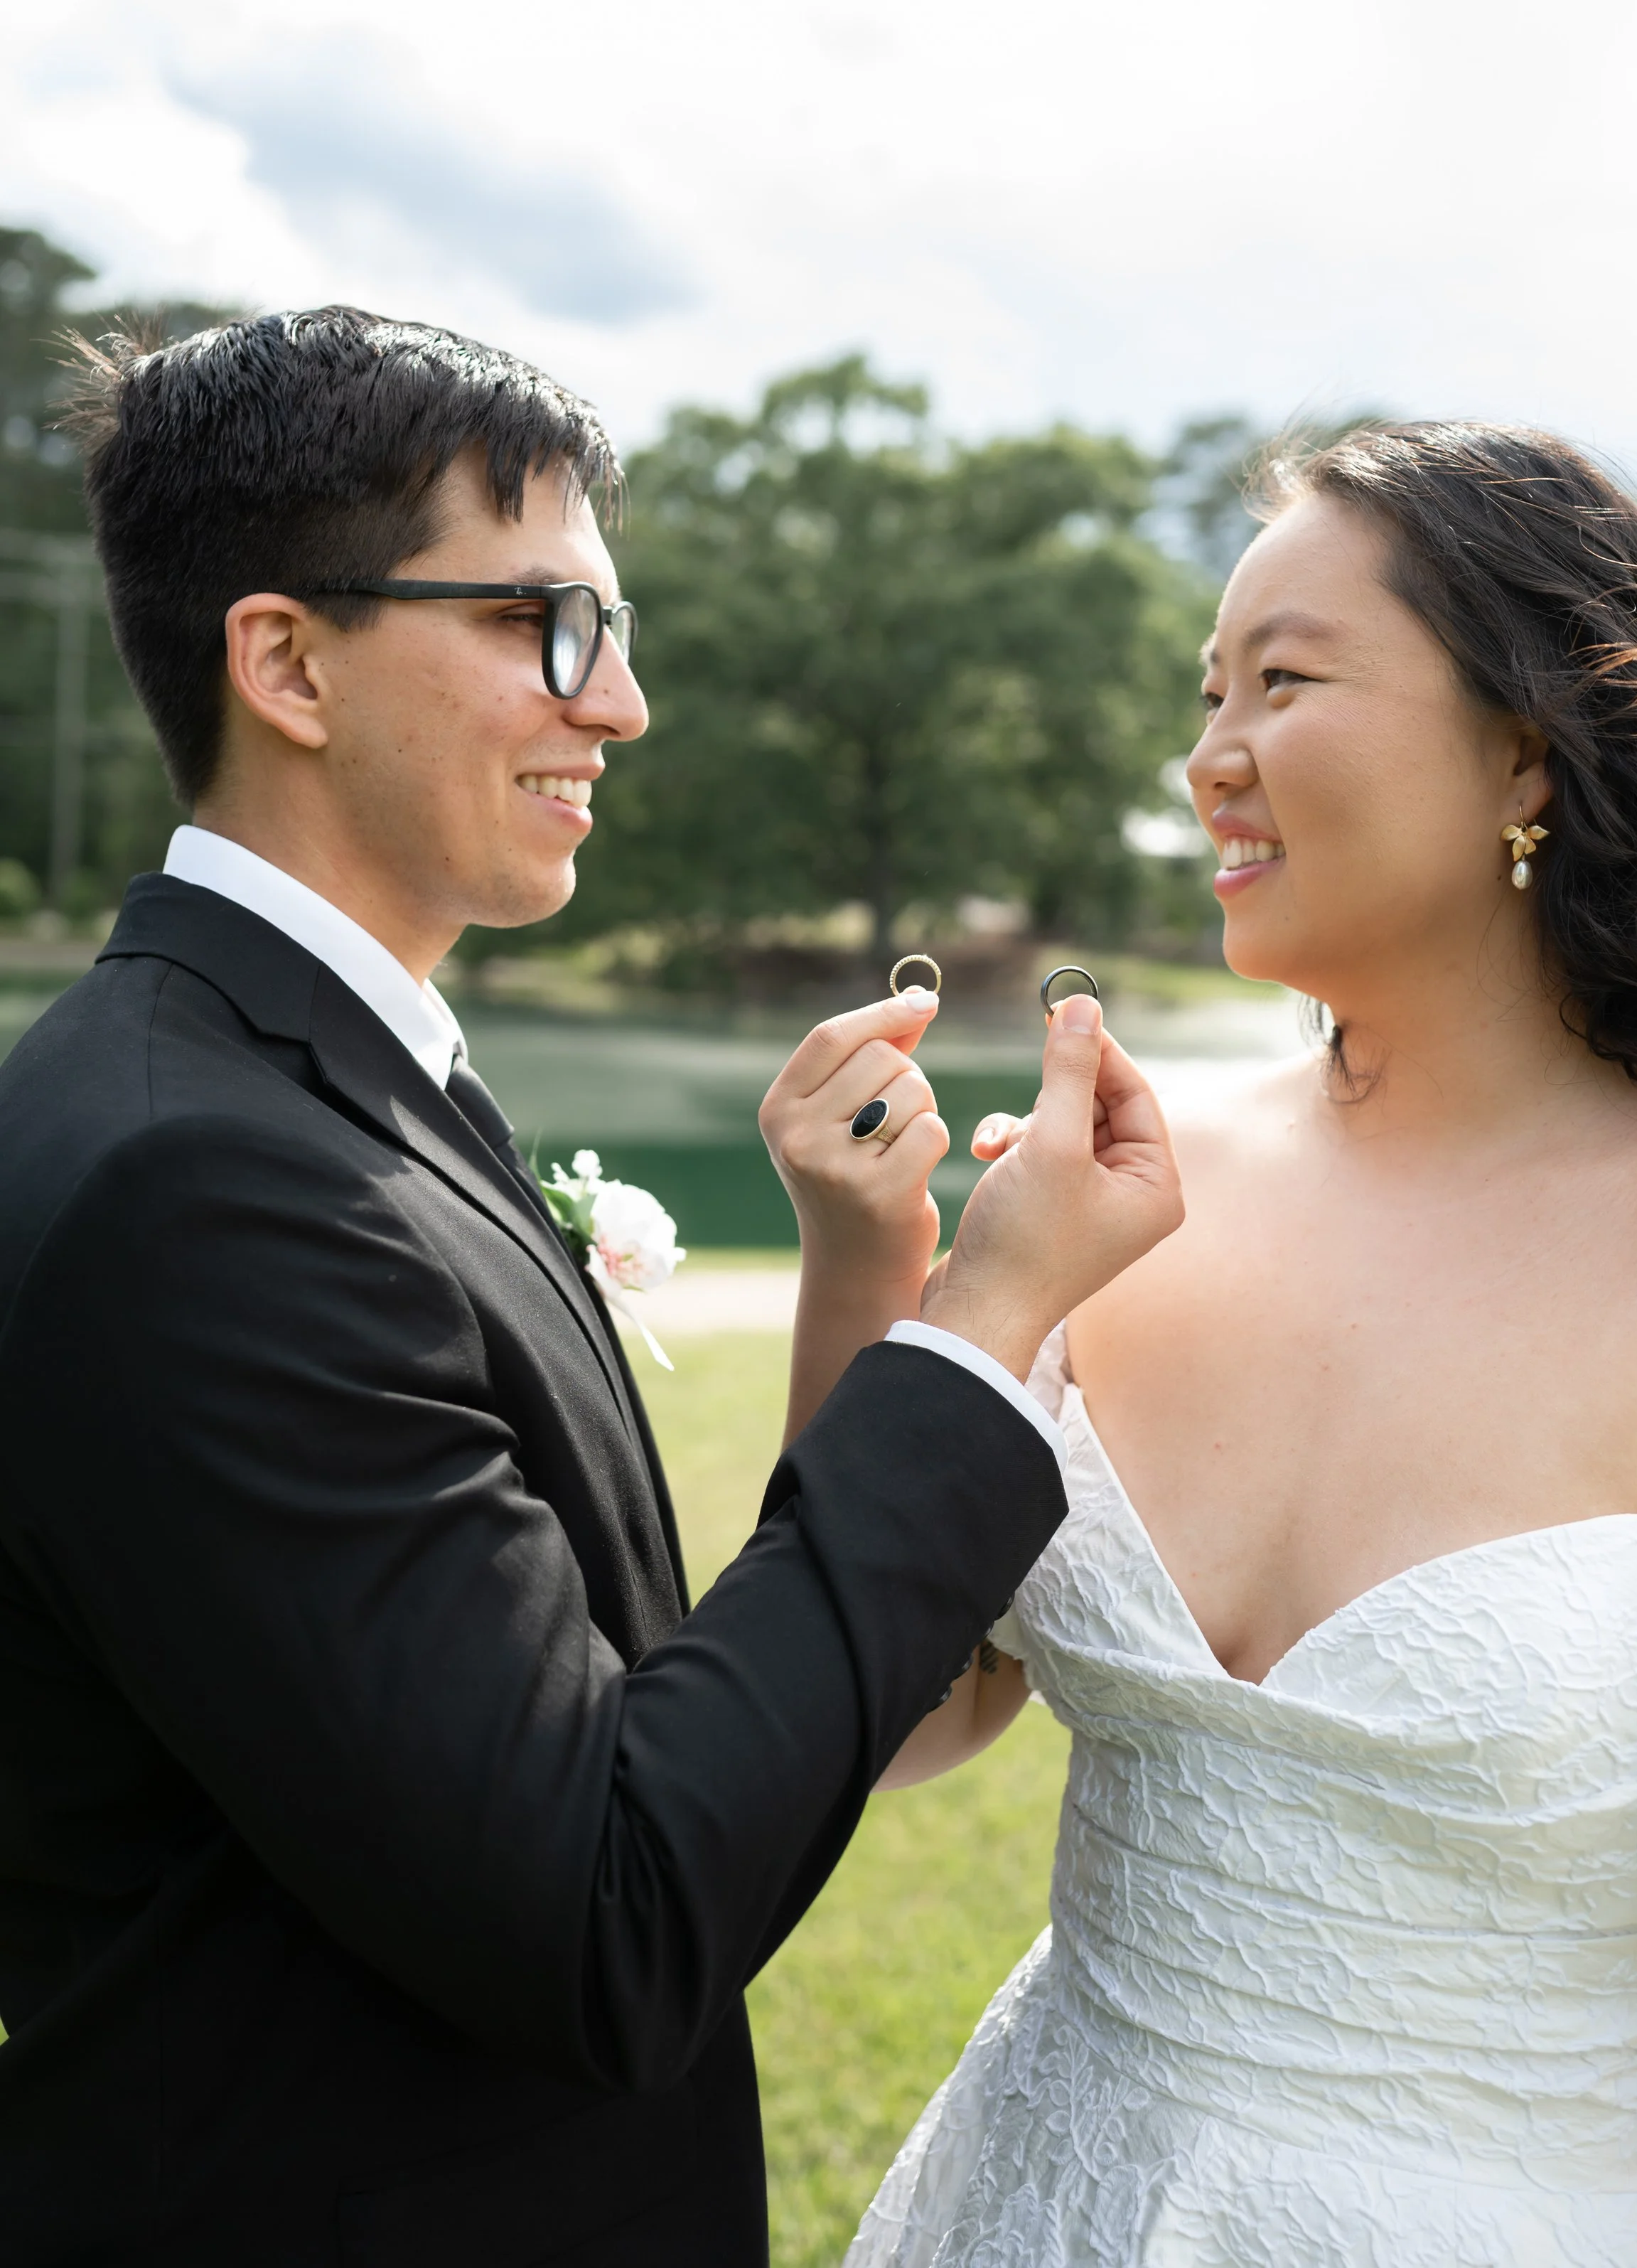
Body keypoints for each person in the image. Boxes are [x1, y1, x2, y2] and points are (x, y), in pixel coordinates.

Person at [0, 306, 1184, 2267]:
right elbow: (605, 1911)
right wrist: (979, 1334)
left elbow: (583, 1714)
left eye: (614, 632)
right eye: (547, 626)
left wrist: (853, 1273)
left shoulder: (289, 1076)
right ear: (285, 658)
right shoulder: (199, 1184)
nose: (620, 704)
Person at [847, 423, 1637, 2267]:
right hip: (1049, 2194)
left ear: (1527, 740)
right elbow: (892, 1716)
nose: (1209, 756)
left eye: (1284, 680)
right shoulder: (1118, 1178)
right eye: (1206, 693)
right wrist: (871, 1262)